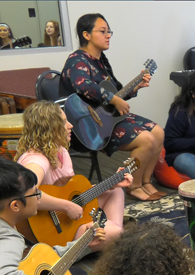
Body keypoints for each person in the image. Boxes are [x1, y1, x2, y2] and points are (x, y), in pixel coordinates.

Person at [60, 13, 166, 202]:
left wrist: (135, 87)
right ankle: (134, 186)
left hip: (109, 117)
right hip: (90, 125)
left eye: (109, 32)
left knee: (158, 132)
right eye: (103, 31)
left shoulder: (101, 60)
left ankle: (146, 181)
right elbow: (83, 85)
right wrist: (112, 99)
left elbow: (116, 92)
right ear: (86, 35)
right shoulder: (77, 59)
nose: (108, 35)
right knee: (147, 140)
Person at [15, 102, 130, 252]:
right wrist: (66, 206)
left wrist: (112, 183)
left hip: (71, 220)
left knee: (115, 192)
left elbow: (74, 194)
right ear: (49, 129)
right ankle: (108, 239)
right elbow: (26, 192)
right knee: (115, 233)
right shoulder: (37, 160)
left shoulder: (61, 151)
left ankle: (108, 241)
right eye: (63, 122)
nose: (70, 125)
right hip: (54, 230)